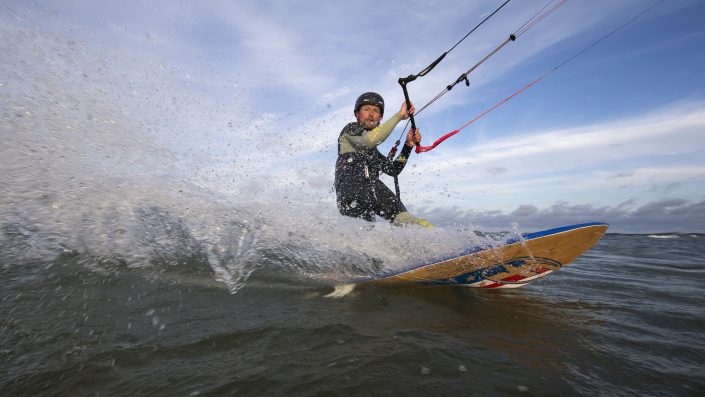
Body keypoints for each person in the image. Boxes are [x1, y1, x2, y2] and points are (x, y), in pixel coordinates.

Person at [334, 92, 433, 227]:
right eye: (366, 109)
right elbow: (368, 141)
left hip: (370, 190)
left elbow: (393, 170)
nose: (371, 114)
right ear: (357, 114)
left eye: (376, 111)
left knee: (400, 219)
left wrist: (408, 146)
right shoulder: (350, 129)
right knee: (362, 231)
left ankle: (429, 237)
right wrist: (399, 116)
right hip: (350, 190)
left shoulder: (372, 152)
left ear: (380, 118)